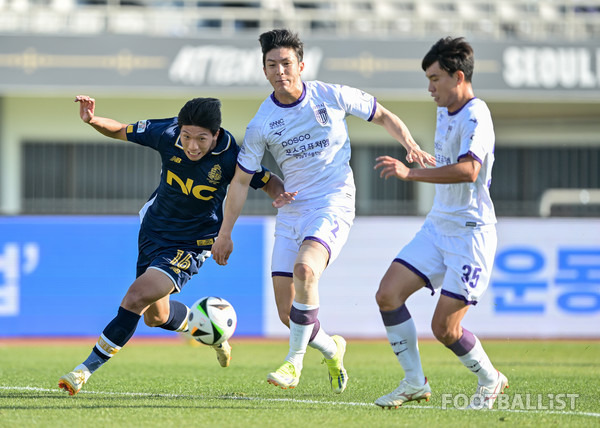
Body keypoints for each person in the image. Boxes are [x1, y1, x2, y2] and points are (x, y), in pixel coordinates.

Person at [211, 29, 435, 394]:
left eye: (286, 63)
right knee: (289, 314)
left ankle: (293, 363)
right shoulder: (261, 123)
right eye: (272, 64)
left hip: (333, 201)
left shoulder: (330, 94)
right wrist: (225, 233)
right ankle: (332, 349)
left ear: (301, 64)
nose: (280, 70)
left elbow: (383, 116)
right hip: (292, 211)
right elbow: (239, 182)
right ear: (264, 69)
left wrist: (410, 144)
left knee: (305, 269)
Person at [58, 95, 291, 396]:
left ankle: (83, 370)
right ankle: (214, 333)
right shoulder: (167, 133)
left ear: (216, 134)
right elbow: (121, 130)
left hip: (191, 244)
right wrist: (93, 120)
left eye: (202, 139)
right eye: (187, 136)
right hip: (153, 231)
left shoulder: (232, 156)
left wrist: (282, 195)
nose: (193, 146)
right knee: (157, 317)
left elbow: (267, 179)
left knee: (135, 296)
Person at [373, 36, 508, 410]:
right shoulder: (444, 110)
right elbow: (453, 160)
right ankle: (414, 382)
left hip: (471, 235)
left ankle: (490, 378)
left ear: (458, 76)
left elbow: (469, 171)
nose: (430, 88)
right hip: (437, 227)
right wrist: (429, 160)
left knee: (445, 329)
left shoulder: (477, 115)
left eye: (435, 79)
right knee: (387, 294)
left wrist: (409, 174)